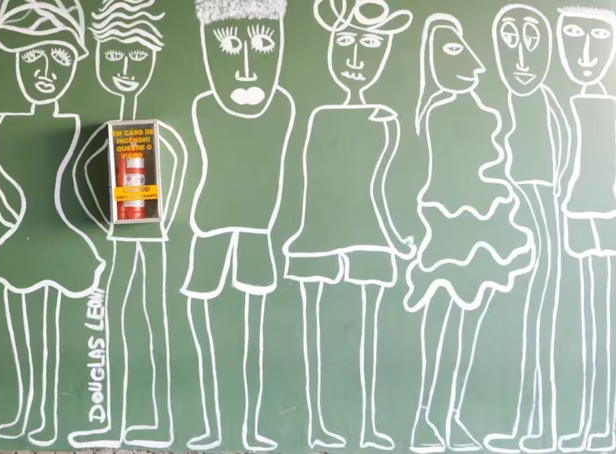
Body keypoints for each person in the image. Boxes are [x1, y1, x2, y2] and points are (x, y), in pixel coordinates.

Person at [0, 0, 104, 447]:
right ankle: (26, 411)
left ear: (73, 64)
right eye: (33, 55)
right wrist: (8, 214)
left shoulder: (74, 125)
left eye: (59, 56)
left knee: (49, 333)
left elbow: (82, 181)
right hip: (18, 240)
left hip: (58, 240)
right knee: (21, 334)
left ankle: (47, 417)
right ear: (18, 61)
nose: (45, 69)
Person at [283, 0, 413, 450]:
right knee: (321, 330)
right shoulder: (323, 116)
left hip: (358, 235)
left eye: (370, 46)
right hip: (322, 234)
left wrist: (393, 239)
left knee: (364, 331)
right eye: (345, 44)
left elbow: (374, 188)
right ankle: (320, 424)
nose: (355, 59)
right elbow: (312, 182)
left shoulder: (383, 120)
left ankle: (363, 425)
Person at [406, 13, 534, 453]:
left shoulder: (468, 108)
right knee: (445, 315)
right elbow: (439, 170)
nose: (473, 64)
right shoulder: (438, 112)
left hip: (479, 224)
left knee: (463, 320)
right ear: (432, 60)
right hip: (450, 224)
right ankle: (430, 417)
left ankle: (446, 415)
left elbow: (487, 163)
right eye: (451, 50)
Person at [68, 0, 187, 449]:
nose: (124, 68)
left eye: (137, 55)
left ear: (153, 58)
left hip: (147, 235)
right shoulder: (113, 137)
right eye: (113, 54)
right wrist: (99, 211)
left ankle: (156, 420)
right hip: (118, 234)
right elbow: (83, 171)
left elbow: (176, 162)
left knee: (151, 321)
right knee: (115, 321)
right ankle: (118, 421)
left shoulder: (149, 136)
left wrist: (156, 208)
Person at [182, 0, 293, 450]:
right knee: (209, 330)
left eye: (262, 45)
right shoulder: (203, 107)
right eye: (229, 48)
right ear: (206, 49)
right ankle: (214, 426)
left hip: (257, 233)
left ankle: (247, 429)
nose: (246, 67)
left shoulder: (281, 106)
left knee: (254, 337)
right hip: (210, 228)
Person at [485, 5, 571, 452]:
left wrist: (557, 194)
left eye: (533, 41)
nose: (521, 58)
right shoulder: (501, 103)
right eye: (509, 41)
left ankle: (539, 427)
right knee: (531, 315)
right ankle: (531, 425)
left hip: (543, 209)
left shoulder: (547, 101)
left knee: (542, 316)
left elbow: (568, 151)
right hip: (519, 211)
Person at [555, 7, 616, 452]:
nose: (587, 53)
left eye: (600, 38)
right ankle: (589, 425)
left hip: (605, 214)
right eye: (574, 35)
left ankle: (600, 424)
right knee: (586, 315)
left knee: (602, 315)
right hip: (576, 211)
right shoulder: (563, 102)